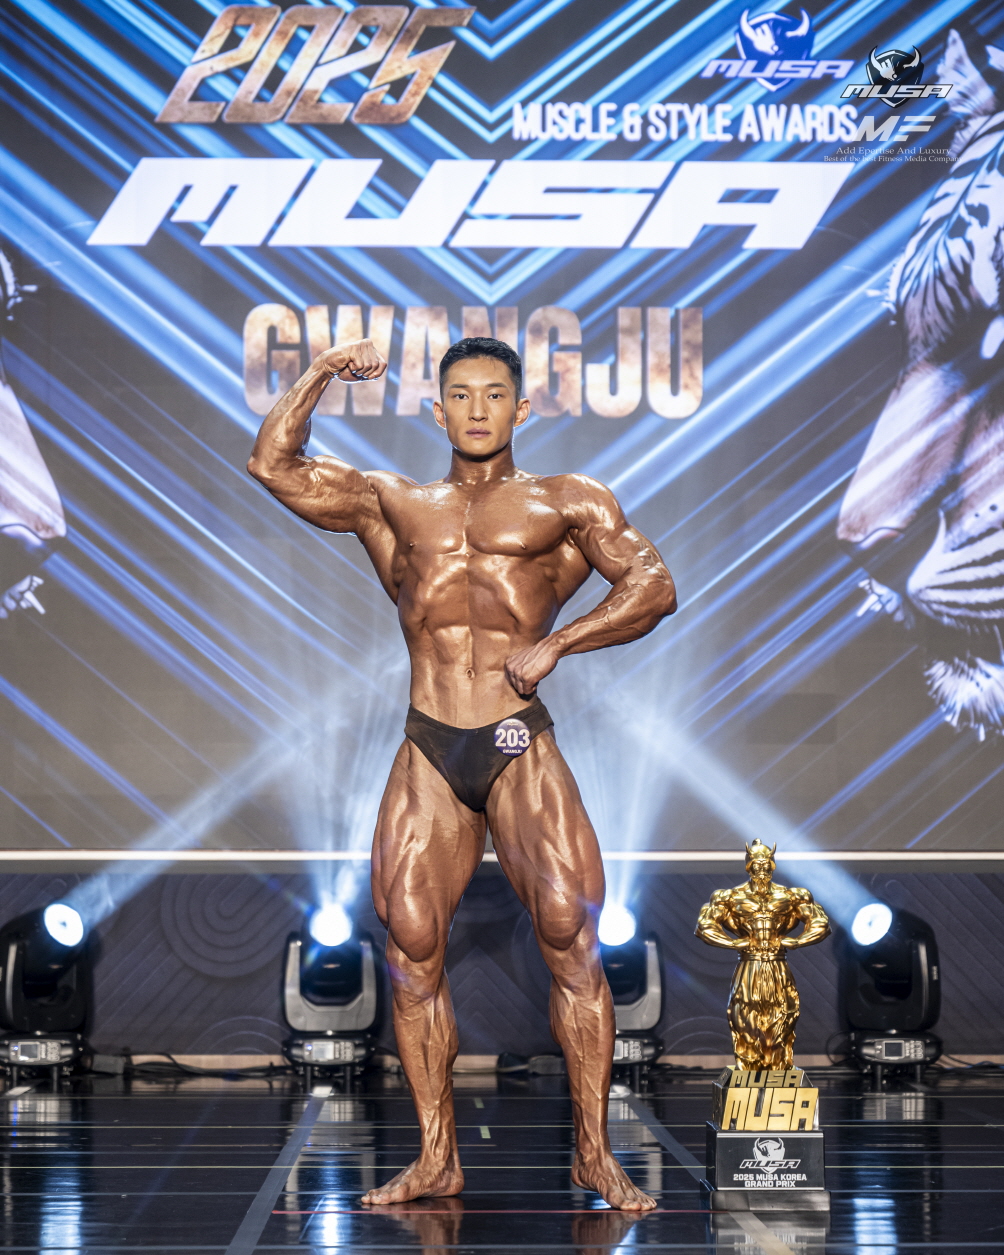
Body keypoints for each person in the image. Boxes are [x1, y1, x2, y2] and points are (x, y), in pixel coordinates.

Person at [248, 335, 677, 1210]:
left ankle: (594, 1154)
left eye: (494, 395)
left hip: (517, 738)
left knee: (571, 936)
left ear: (522, 408)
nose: (477, 410)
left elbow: (653, 586)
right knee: (410, 950)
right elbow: (273, 464)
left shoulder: (567, 500)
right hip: (430, 742)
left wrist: (559, 642)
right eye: (461, 395)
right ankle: (436, 1157)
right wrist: (323, 369)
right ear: (436, 410)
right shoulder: (394, 504)